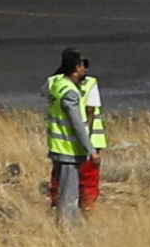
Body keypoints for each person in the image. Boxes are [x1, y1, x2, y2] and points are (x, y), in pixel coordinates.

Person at [42, 47, 106, 217]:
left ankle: (64, 220)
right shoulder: (71, 90)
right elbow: (79, 122)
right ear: (77, 67)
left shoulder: (55, 83)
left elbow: (44, 90)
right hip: (70, 148)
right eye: (82, 65)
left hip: (58, 146)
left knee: (62, 189)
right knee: (71, 195)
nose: (85, 68)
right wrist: (90, 149)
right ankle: (68, 229)